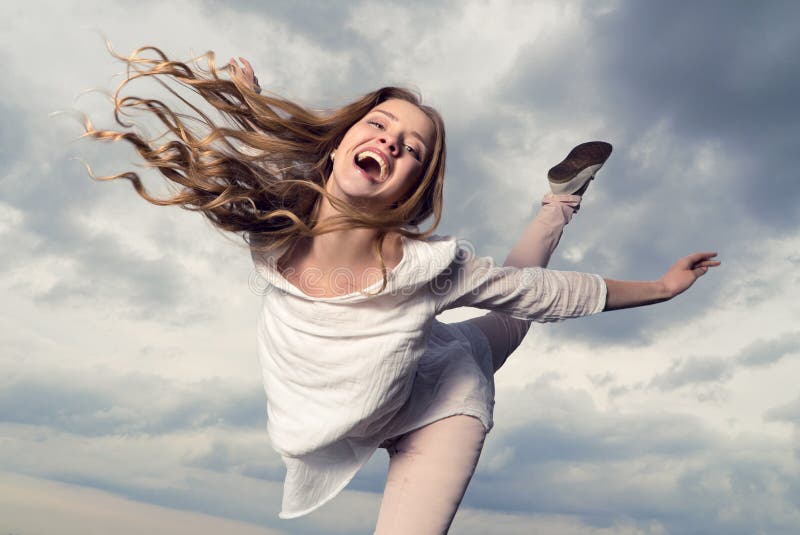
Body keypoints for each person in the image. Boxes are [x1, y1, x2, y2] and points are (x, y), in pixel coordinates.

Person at [82, 47, 720, 535]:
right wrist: (248, 100)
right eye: (380, 125)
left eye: (410, 148)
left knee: (513, 305)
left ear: (409, 189)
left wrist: (662, 287)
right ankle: (560, 199)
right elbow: (266, 152)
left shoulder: (425, 267)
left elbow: (545, 292)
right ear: (335, 149)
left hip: (441, 401)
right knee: (507, 310)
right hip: (380, 383)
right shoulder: (276, 218)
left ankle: (560, 199)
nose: (390, 140)